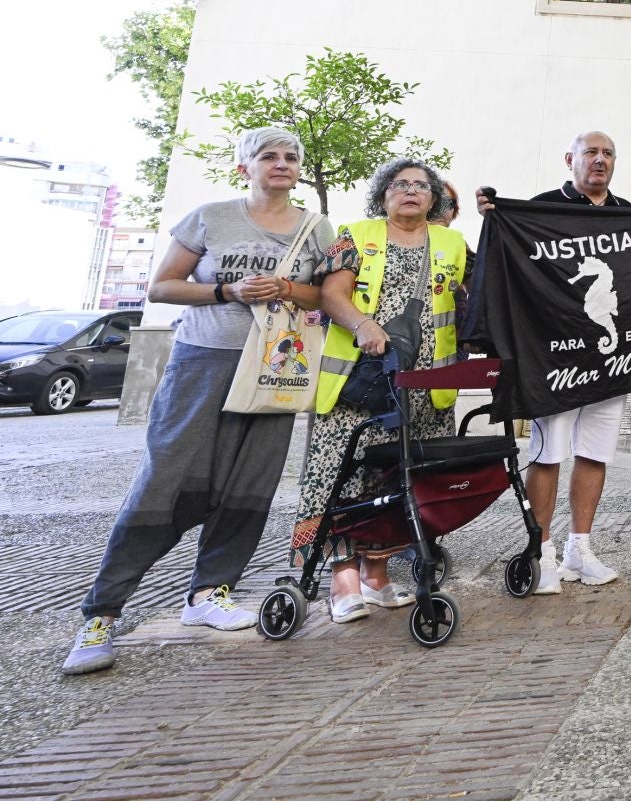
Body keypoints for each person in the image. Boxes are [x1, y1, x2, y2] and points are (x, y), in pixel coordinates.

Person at [65, 129, 334, 675]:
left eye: (290, 157)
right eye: (268, 157)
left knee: (251, 480)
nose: (281, 164)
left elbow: (324, 294)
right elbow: (162, 287)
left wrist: (286, 290)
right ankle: (101, 613)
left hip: (276, 365)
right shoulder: (211, 216)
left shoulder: (317, 226)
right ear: (245, 168)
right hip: (203, 358)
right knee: (167, 477)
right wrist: (227, 292)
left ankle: (210, 592)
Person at [477, 130, 631, 588]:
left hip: (611, 362)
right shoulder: (542, 208)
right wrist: (495, 216)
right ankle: (543, 552)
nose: (599, 160)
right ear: (569, 159)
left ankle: (580, 548)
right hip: (552, 360)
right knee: (548, 454)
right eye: (590, 152)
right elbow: (509, 265)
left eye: (608, 153)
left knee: (594, 453)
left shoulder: (629, 217)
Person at [297, 159, 464, 623]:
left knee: (399, 481)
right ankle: (342, 576)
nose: (410, 191)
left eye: (421, 185)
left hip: (425, 386)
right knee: (343, 477)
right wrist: (364, 323)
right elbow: (332, 294)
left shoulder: (452, 242)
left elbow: (470, 297)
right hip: (359, 380)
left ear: (435, 198)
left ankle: (377, 572)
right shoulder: (355, 232)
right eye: (399, 184)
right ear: (383, 193)